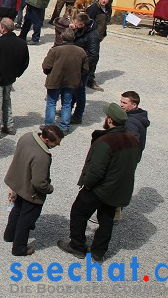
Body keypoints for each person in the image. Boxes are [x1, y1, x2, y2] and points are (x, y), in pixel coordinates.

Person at [57, 104, 140, 263]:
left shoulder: (105, 141)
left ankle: (77, 246)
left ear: (110, 120)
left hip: (100, 189)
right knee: (107, 219)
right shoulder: (133, 140)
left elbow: (96, 171)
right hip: (119, 189)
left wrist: (86, 185)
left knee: (78, 213)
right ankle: (98, 253)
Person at [3, 125, 64, 256]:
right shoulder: (42, 156)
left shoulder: (27, 137)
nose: (57, 145)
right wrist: (50, 189)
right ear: (47, 140)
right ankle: (19, 248)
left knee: (16, 210)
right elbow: (39, 183)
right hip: (30, 192)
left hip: (18, 182)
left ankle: (9, 235)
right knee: (26, 219)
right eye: (56, 143)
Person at [0, 18, 29, 139]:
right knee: (7, 101)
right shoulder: (21, 43)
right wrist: (16, 73)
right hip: (10, 77)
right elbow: (25, 63)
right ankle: (9, 126)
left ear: (3, 28)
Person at [42, 29, 89, 134]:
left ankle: (49, 127)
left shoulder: (55, 50)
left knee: (51, 103)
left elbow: (46, 66)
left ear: (62, 38)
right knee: (67, 104)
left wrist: (50, 73)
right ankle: (64, 127)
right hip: (71, 82)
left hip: (55, 80)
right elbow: (85, 69)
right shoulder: (81, 51)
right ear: (73, 38)